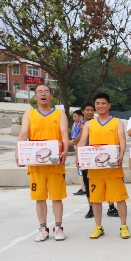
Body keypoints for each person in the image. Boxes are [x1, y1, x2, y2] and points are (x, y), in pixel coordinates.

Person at [15, 85, 69, 241]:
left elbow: (64, 134)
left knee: (57, 197)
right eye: (40, 92)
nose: (43, 94)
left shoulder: (60, 114)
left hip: (55, 162)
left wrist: (65, 150)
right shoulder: (29, 114)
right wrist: (18, 151)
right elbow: (24, 133)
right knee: (39, 197)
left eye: (46, 92)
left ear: (51, 96)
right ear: (35, 97)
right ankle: (43, 228)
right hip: (36, 163)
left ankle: (58, 228)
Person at [75, 92, 130, 239]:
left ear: (109, 105)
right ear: (94, 106)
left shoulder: (117, 122)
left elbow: (122, 141)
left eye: (103, 103)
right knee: (96, 199)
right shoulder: (89, 124)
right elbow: (81, 142)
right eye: (97, 103)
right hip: (95, 169)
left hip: (113, 168)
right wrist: (78, 158)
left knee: (120, 198)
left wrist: (121, 155)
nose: (100, 106)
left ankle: (124, 226)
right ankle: (98, 226)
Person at [73, 103, 96, 217]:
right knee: (87, 184)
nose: (90, 112)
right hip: (85, 157)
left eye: (92, 110)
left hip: (96, 156)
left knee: (101, 183)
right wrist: (83, 131)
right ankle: (91, 208)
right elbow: (74, 141)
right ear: (83, 111)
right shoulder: (77, 125)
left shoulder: (97, 123)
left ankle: (111, 207)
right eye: (87, 110)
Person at [70, 109, 86, 196]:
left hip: (81, 149)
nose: (73, 118)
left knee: (80, 169)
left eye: (75, 116)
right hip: (88, 149)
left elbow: (74, 140)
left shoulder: (77, 125)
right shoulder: (91, 123)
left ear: (81, 116)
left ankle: (83, 188)